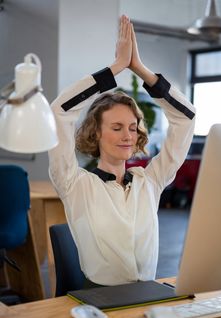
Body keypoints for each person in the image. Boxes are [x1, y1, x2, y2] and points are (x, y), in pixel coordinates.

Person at [49, 15, 195, 288]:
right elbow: (59, 111)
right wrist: (116, 68)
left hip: (147, 300)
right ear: (96, 133)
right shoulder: (74, 183)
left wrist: (139, 68)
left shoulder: (150, 181)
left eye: (132, 126)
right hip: (99, 302)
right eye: (116, 127)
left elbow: (186, 118)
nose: (128, 135)